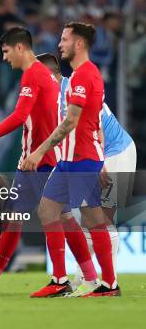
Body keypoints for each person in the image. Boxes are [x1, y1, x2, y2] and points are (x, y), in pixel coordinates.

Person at [0, 27, 62, 298]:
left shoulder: (33, 75)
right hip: (35, 159)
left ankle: (68, 277)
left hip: (38, 161)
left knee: (53, 218)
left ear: (20, 48)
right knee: (16, 218)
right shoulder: (44, 75)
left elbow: (19, 117)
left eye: (6, 51)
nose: (4, 58)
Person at [22, 22, 119, 297]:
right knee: (47, 211)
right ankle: (60, 280)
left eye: (64, 39)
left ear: (78, 44)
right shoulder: (82, 75)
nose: (60, 44)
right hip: (67, 162)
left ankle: (109, 284)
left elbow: (71, 122)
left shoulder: (83, 76)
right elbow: (95, 119)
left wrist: (40, 151)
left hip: (82, 159)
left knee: (92, 219)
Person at [39, 53, 136, 293]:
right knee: (73, 214)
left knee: (101, 217)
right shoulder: (52, 96)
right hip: (89, 154)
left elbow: (96, 125)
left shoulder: (70, 89)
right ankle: (88, 278)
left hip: (115, 152)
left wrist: (99, 161)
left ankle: (106, 283)